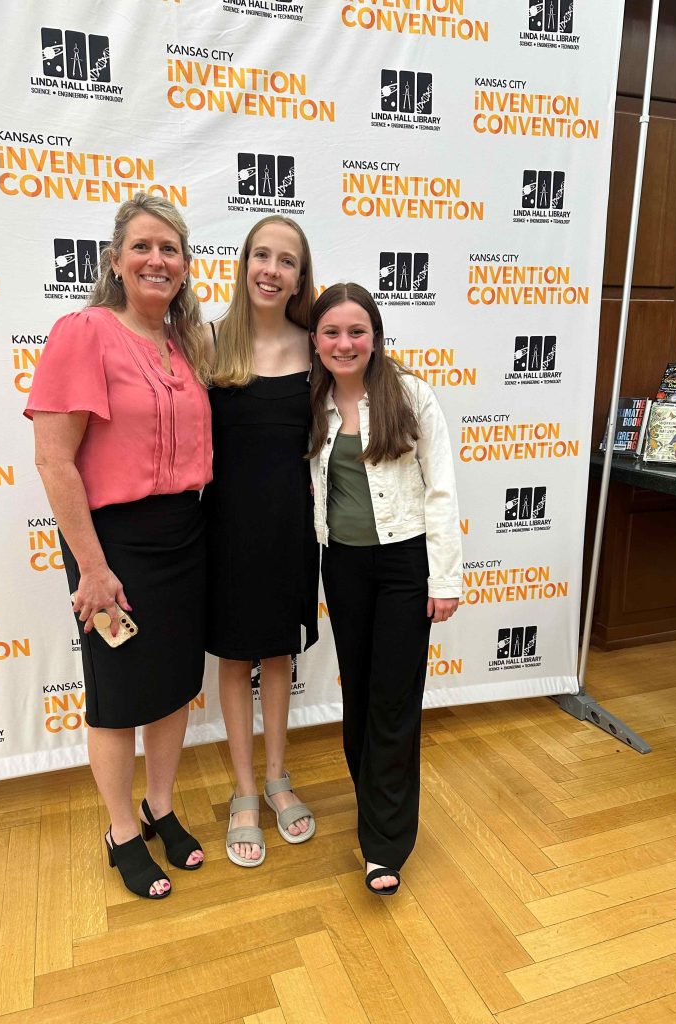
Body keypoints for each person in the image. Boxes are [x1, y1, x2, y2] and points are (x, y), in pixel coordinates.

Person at [25, 193, 211, 899]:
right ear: (114, 259)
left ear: (185, 265)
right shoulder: (85, 332)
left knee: (172, 687)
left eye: (169, 249)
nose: (156, 259)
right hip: (113, 549)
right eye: (142, 246)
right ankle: (122, 832)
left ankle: (159, 807)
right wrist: (93, 567)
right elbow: (54, 460)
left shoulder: (185, 343)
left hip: (185, 537)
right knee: (117, 695)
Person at [308, 282, 462, 895]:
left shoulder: (411, 394)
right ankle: (374, 802)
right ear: (316, 339)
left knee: (394, 700)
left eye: (357, 331)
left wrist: (444, 578)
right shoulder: (311, 399)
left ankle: (384, 845)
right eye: (332, 332)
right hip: (342, 567)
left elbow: (441, 489)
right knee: (361, 695)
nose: (344, 343)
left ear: (375, 336)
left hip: (405, 565)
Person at [203, 215, 320, 867]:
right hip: (224, 529)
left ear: (301, 278)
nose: (271, 270)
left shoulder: (317, 349)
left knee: (279, 652)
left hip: (292, 528)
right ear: (245, 263)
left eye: (286, 261)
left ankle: (277, 778)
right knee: (233, 656)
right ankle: (243, 790)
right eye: (262, 255)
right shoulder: (208, 343)